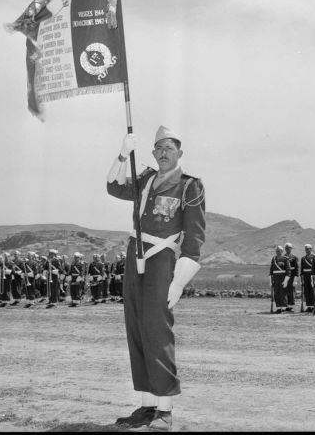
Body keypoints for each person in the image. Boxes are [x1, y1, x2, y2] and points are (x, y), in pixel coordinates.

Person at [107, 126, 205, 431]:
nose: (163, 154)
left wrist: (178, 281)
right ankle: (147, 405)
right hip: (135, 254)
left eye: (169, 148)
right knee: (136, 326)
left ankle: (165, 408)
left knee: (157, 331)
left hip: (162, 260)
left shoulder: (190, 187)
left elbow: (195, 238)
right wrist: (123, 154)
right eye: (158, 149)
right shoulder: (145, 178)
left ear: (180, 153)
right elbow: (113, 187)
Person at [269, 246, 290, 313]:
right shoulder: (274, 259)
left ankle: (283, 307)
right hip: (275, 278)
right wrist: (270, 280)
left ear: (282, 251)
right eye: (276, 251)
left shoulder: (285, 259)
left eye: (279, 251)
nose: (277, 252)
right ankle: (278, 307)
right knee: (276, 293)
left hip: (282, 277)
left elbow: (288, 271)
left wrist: (286, 280)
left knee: (283, 293)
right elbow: (271, 270)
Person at [300, 244, 315, 312]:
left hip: (312, 276)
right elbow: (302, 269)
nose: (307, 250)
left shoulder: (314, 257)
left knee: (312, 291)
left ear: (311, 249)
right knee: (306, 291)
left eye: (308, 249)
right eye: (306, 249)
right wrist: (301, 279)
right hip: (305, 276)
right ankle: (309, 306)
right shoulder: (303, 258)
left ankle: (313, 305)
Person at [283, 243, 299, 312]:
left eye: (289, 248)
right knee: (284, 291)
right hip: (285, 276)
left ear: (291, 249)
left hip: (292, 276)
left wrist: (295, 279)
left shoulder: (294, 257)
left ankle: (291, 306)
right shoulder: (283, 257)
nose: (287, 249)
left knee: (291, 291)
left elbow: (297, 269)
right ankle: (285, 305)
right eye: (286, 248)